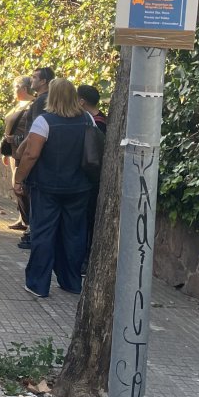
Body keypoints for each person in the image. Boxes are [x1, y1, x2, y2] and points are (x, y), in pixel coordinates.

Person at [11, 78, 97, 297]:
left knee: (43, 233)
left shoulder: (44, 121)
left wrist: (19, 179)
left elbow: (31, 154)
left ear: (52, 97)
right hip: (79, 187)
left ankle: (38, 284)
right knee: (74, 235)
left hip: (46, 187)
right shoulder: (87, 119)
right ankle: (71, 281)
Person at [14, 67, 54, 250]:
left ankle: (32, 231)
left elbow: (35, 131)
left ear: (44, 81)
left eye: (35, 77)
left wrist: (22, 149)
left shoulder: (40, 102)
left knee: (29, 192)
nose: (31, 80)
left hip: (33, 152)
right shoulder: (42, 100)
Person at [77, 83, 108, 264]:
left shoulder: (95, 124)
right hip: (92, 178)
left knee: (88, 220)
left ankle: (86, 258)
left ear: (81, 102)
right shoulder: (101, 120)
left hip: (91, 179)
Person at [0, 75, 34, 232]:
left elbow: (31, 134)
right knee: (16, 185)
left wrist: (15, 139)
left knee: (20, 186)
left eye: (16, 87)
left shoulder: (32, 106)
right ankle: (22, 218)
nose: (13, 90)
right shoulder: (19, 105)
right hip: (13, 151)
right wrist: (6, 151)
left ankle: (28, 222)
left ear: (25, 88)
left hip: (22, 151)